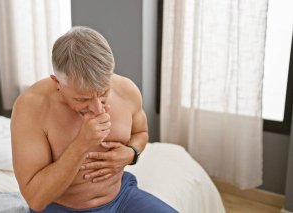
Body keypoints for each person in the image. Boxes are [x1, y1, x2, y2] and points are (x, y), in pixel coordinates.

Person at [10, 26, 178, 213]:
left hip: (122, 197)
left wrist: (131, 153)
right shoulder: (31, 107)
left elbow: (141, 133)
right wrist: (82, 143)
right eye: (83, 99)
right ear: (57, 82)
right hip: (62, 208)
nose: (98, 108)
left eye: (104, 92)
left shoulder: (126, 90)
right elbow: (36, 199)